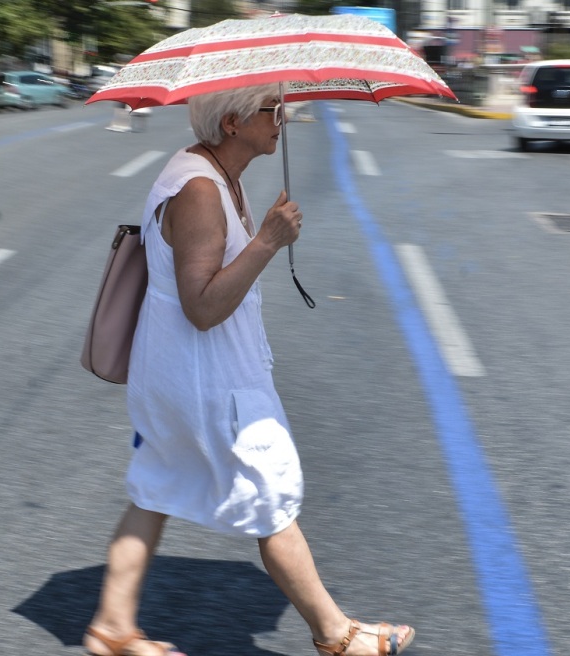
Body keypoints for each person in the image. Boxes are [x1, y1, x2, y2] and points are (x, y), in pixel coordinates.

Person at [84, 83, 416, 656]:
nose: (283, 117)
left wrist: (259, 236)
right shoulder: (199, 192)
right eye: (272, 109)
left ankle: (112, 627)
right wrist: (265, 242)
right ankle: (338, 636)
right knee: (273, 493)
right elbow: (204, 306)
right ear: (233, 122)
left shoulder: (213, 173)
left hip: (177, 373)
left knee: (157, 486)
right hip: (207, 382)